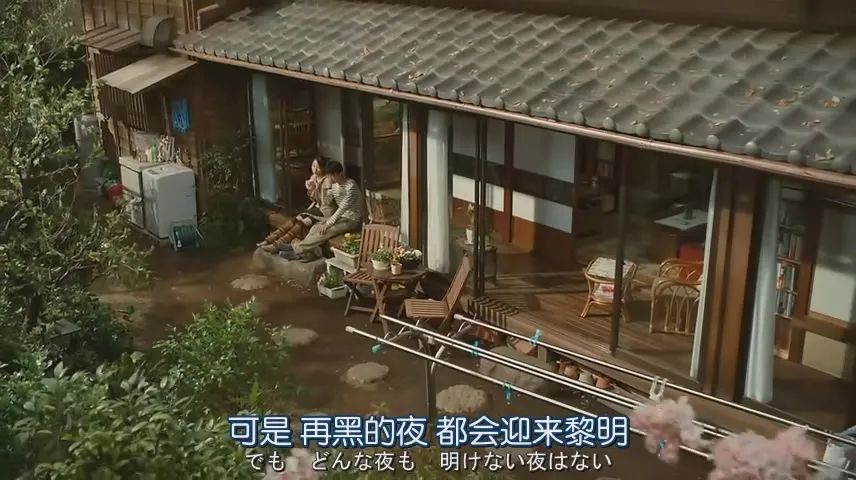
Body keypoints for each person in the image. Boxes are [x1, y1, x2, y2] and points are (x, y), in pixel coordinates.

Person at [280, 160, 363, 262]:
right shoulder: (334, 186)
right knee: (316, 227)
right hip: (341, 218)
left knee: (326, 231)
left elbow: (342, 208)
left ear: (340, 173)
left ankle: (297, 249)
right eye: (329, 176)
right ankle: (306, 253)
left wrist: (327, 224)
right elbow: (325, 202)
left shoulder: (351, 186)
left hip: (352, 219)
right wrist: (317, 189)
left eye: (332, 175)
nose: (331, 178)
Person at [258, 158, 334, 253]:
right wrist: (310, 190)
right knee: (294, 220)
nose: (315, 169)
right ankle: (269, 240)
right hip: (315, 208)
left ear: (323, 168)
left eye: (318, 167)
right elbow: (314, 199)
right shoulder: (314, 177)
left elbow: (326, 202)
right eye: (313, 166)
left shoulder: (327, 180)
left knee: (301, 223)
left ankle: (276, 245)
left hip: (324, 211)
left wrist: (316, 188)